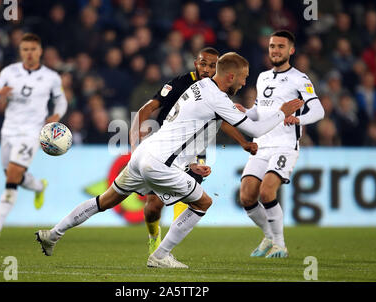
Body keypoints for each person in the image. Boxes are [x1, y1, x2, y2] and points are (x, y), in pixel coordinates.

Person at [35, 52, 303, 268]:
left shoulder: (199, 86)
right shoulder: (217, 99)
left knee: (104, 200)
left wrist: (188, 165)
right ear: (230, 76)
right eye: (243, 79)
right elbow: (254, 129)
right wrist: (281, 112)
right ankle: (160, 255)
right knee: (203, 202)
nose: (245, 84)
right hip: (158, 163)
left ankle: (52, 234)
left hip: (147, 154)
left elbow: (183, 131)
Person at [129, 47, 257, 256]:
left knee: (188, 197)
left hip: (194, 154)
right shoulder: (179, 84)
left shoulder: (218, 90)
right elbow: (146, 109)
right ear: (196, 64)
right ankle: (154, 239)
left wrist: (243, 142)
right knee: (153, 207)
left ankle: (165, 250)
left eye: (212, 66)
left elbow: (222, 121)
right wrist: (136, 145)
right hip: (165, 151)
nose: (206, 69)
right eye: (203, 64)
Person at [236, 30, 324, 258]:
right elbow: (259, 111)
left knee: (267, 191)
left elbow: (318, 110)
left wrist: (299, 118)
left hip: (284, 145)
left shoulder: (300, 79)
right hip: (261, 144)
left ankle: (280, 246)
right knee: (246, 196)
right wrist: (245, 112)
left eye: (281, 47)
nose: (275, 50)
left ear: (291, 51)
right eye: (272, 46)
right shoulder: (263, 76)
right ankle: (269, 236)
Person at [0, 33, 68, 240]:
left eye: (33, 49)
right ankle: (39, 186)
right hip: (8, 130)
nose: (29, 53)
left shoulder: (51, 77)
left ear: (40, 51)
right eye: (25, 49)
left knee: (12, 175)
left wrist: (56, 116)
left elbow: (61, 101)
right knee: (11, 174)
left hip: (31, 132)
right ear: (20, 51)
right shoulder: (9, 72)